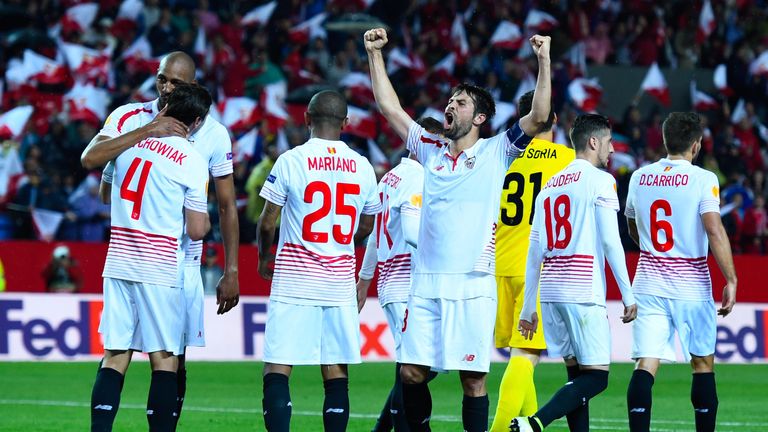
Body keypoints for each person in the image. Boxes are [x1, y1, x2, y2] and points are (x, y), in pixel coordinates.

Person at [364, 27, 552, 431]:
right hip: (426, 282)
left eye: (460, 102)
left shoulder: (496, 150)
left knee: (473, 381)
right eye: (450, 99)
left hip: (473, 283)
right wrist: (375, 55)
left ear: (479, 117)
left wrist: (543, 61)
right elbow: (389, 107)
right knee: (411, 373)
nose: (450, 104)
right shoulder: (429, 147)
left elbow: (538, 116)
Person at [81, 51, 239, 428]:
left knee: (156, 354)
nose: (166, 87)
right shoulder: (129, 116)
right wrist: (148, 129)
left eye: (176, 83)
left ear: (193, 88)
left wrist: (231, 269)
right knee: (164, 356)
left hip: (173, 260)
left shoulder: (215, 135)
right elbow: (91, 159)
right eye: (161, 78)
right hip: (161, 257)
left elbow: (228, 206)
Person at [89, 83, 211, 432]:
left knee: (115, 354)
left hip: (119, 260)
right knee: (165, 359)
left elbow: (104, 193)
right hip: (159, 266)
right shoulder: (191, 158)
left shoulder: (127, 141)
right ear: (198, 121)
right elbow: (197, 228)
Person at [257, 90, 381, 432]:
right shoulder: (363, 166)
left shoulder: (291, 160)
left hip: (295, 279)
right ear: (346, 123)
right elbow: (367, 226)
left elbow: (268, 220)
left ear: (307, 119)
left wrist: (265, 255)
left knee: (278, 368)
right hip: (338, 282)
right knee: (336, 370)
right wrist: (340, 243)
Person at [513, 114, 637, 432]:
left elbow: (534, 252)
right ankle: (536, 422)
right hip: (581, 288)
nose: (612, 150)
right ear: (593, 142)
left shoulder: (550, 186)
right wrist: (628, 294)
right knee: (596, 378)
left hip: (551, 292)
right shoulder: (600, 181)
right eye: (609, 143)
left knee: (576, 377)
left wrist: (529, 308)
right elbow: (611, 243)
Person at [624, 112, 737, 432]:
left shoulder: (639, 176)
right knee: (702, 365)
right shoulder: (703, 179)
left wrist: (652, 247)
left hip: (648, 282)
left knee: (645, 364)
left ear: (664, 140)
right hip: (692, 286)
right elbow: (714, 231)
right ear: (697, 145)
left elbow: (632, 225)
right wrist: (731, 278)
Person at [490, 90, 575, 431]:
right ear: (553, 119)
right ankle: (497, 430)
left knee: (521, 356)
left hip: (500, 262)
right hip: (535, 268)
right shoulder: (567, 159)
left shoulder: (502, 155)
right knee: (527, 356)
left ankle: (525, 426)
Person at [358, 117, 444, 432]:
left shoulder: (389, 178)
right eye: (439, 145)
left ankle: (381, 430)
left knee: (410, 369)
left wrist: (364, 280)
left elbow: (374, 238)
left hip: (390, 283)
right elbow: (410, 232)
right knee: (417, 371)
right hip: (409, 285)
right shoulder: (420, 177)